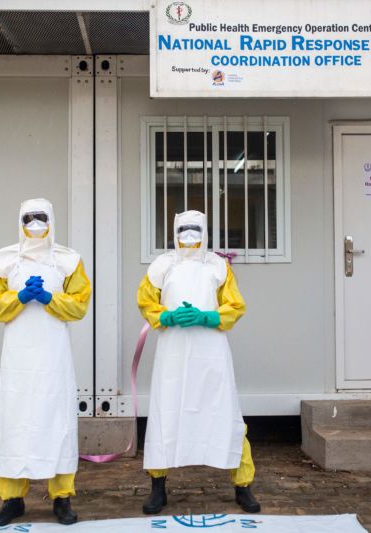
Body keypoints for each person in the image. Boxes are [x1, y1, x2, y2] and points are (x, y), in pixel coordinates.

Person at [136, 210, 260, 515]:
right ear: (174, 231)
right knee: (167, 412)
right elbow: (145, 301)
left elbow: (235, 305)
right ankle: (158, 487)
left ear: (205, 232)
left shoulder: (218, 266)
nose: (189, 237)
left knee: (225, 413)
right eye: (183, 230)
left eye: (195, 230)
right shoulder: (161, 265)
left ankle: (242, 485)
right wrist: (165, 315)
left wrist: (208, 316)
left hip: (211, 351)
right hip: (173, 350)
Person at [0, 198, 91, 526]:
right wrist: (19, 297)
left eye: (41, 217)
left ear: (52, 219)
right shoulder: (3, 260)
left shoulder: (68, 261)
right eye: (29, 217)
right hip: (18, 360)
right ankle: (12, 499)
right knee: (17, 423)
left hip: (54, 358)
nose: (35, 223)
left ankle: (62, 498)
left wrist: (49, 298)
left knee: (57, 422)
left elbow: (79, 304)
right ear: (19, 220)